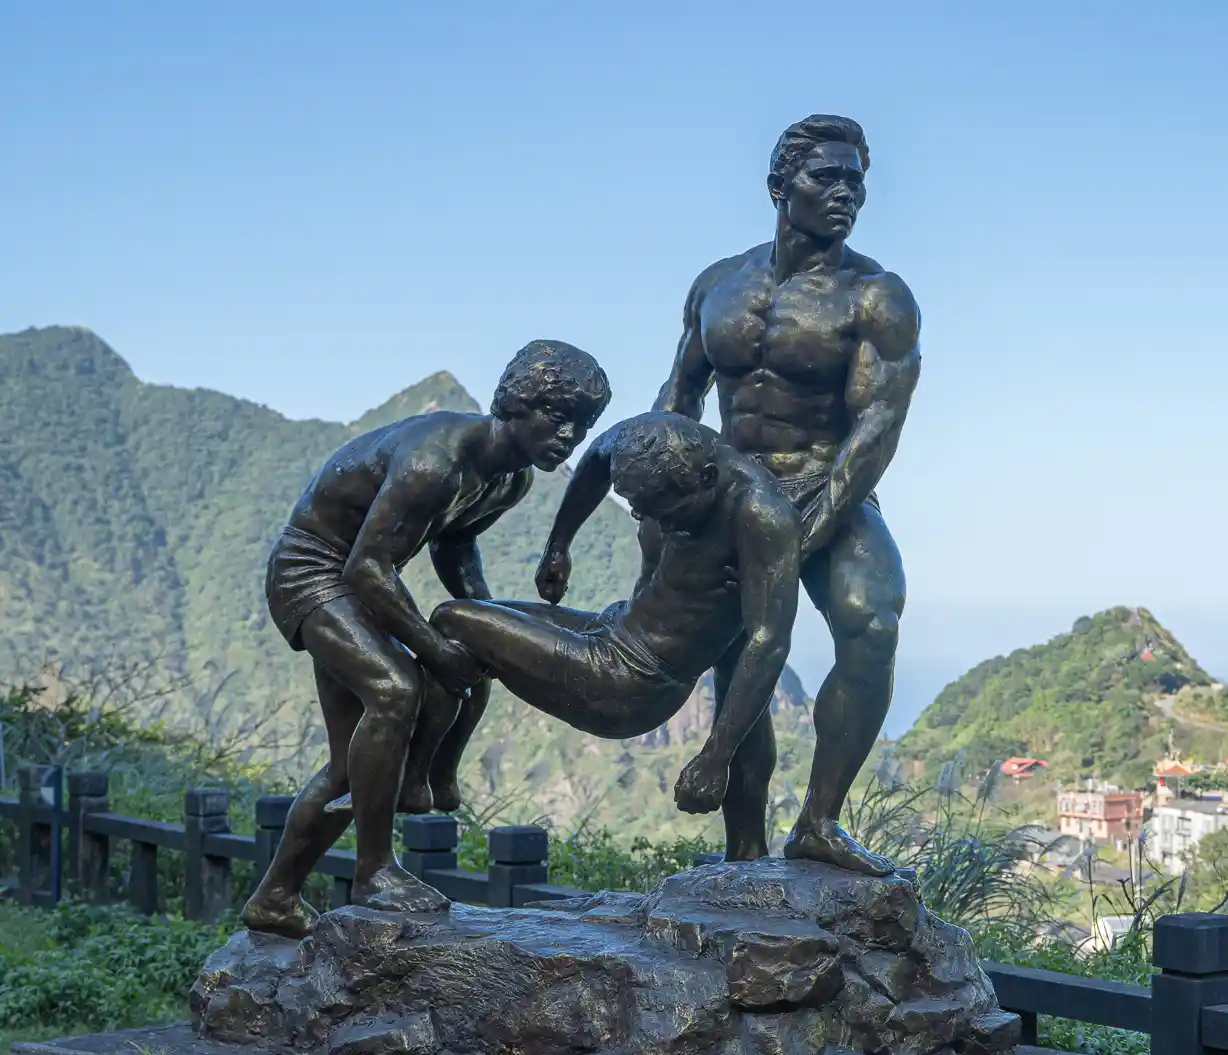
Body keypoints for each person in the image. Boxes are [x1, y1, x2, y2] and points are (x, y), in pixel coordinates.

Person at [239, 340, 611, 938]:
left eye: (584, 425)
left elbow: (454, 545)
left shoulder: (509, 481)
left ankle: (274, 898)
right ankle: (374, 871)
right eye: (559, 416)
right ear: (519, 403)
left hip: (361, 579)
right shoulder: (434, 462)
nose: (570, 435)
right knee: (394, 688)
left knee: (347, 766)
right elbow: (366, 565)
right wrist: (436, 647)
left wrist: (485, 622)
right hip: (314, 572)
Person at [653, 115, 920, 875]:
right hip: (730, 496)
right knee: (736, 660)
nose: (846, 194)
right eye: (826, 178)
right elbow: (680, 395)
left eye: (856, 182)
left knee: (872, 621)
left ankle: (819, 821)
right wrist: (659, 502)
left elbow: (876, 430)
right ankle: (744, 846)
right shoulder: (716, 286)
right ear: (780, 186)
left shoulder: (877, 298)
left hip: (831, 486)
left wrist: (808, 525)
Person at [387, 411, 800, 861]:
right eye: (639, 509)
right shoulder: (660, 438)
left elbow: (768, 639)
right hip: (610, 628)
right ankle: (435, 778)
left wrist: (713, 757)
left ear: (706, 479)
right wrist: (559, 545)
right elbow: (598, 456)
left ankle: (419, 777)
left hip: (632, 681)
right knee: (470, 620)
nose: (653, 521)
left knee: (451, 619)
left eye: (669, 512)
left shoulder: (760, 516)